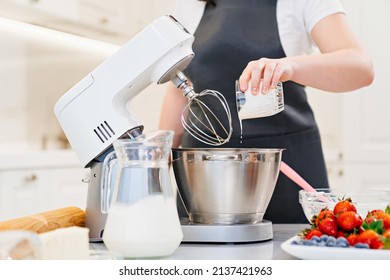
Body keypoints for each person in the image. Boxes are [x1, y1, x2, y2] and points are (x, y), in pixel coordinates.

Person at [159, 0, 374, 223]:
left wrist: (289, 66)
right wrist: (158, 160)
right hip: (203, 177)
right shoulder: (190, 5)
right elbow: (180, 89)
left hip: (286, 169)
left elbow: (360, 67)